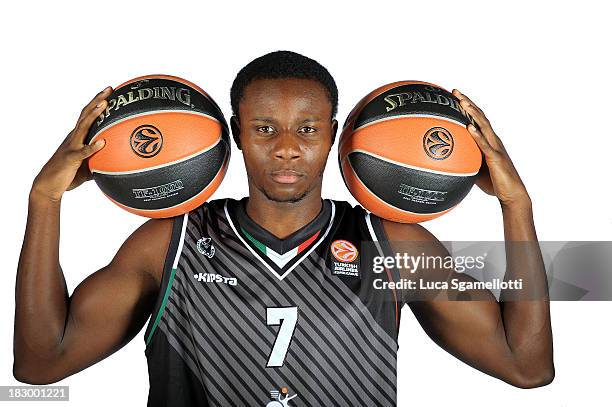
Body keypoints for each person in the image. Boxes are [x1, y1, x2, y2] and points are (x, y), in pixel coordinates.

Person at [14, 51, 554, 406]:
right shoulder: (170, 242)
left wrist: (515, 203)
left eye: (308, 128)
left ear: (336, 135)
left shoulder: (390, 243)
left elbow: (526, 366)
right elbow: (41, 364)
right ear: (235, 134)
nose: (288, 147)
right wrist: (44, 200)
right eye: (265, 128)